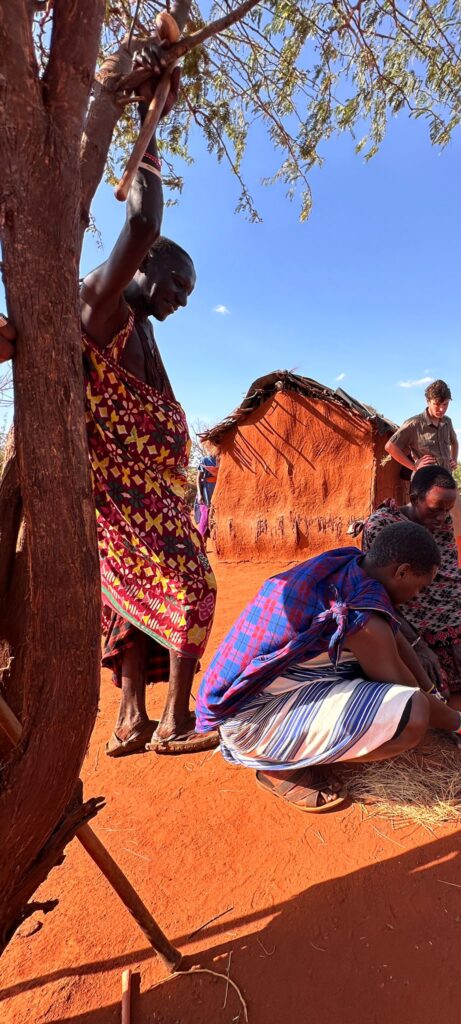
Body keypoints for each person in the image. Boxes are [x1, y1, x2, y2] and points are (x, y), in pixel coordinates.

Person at [79, 38, 217, 756]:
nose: (182, 302)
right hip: (131, 508)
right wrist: (149, 126)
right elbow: (141, 223)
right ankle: (178, 720)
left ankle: (134, 719)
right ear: (148, 267)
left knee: (132, 614)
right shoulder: (102, 309)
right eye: (178, 287)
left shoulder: (142, 328)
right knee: (196, 596)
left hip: (150, 504)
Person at [196, 521, 461, 811]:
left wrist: (433, 689)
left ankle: (297, 736)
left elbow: (395, 640)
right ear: (403, 572)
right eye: (419, 587)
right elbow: (410, 692)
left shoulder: (352, 566)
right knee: (413, 716)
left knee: (404, 691)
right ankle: (277, 765)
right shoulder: (362, 616)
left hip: (249, 697)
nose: (417, 596)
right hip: (248, 722)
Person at [361, 466, 461, 696]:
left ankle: (440, 652)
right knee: (436, 689)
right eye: (435, 510)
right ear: (414, 499)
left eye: (447, 510)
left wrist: (455, 639)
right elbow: (377, 594)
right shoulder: (381, 525)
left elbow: (451, 579)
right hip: (399, 627)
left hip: (438, 628)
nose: (442, 517)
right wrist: (417, 645)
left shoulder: (441, 522)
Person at [385, 379, 461, 564]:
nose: (441, 409)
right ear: (428, 401)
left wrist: (453, 458)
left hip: (448, 484)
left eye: (445, 405)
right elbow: (390, 446)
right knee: (422, 528)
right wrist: (414, 466)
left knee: (459, 528)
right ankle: (419, 568)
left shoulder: (447, 422)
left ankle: (458, 570)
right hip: (425, 487)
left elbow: (455, 442)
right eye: (437, 404)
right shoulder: (414, 423)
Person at [194, 440, 220, 540]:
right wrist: (200, 494)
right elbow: (198, 478)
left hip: (217, 488)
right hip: (207, 490)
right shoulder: (205, 460)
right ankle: (202, 541)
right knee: (205, 515)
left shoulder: (220, 459)